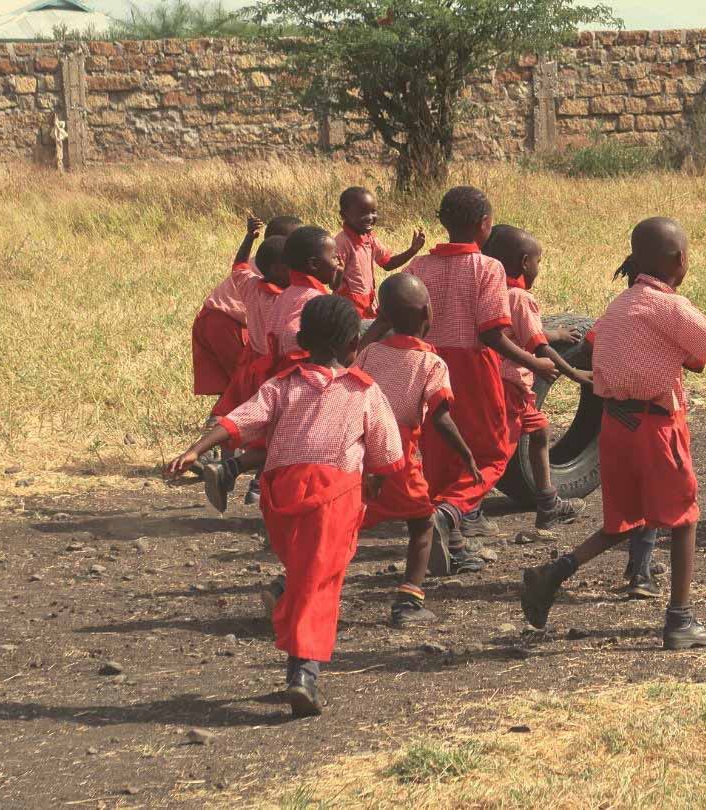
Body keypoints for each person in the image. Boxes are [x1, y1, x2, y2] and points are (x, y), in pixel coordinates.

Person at [519, 217, 706, 649]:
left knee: (623, 522)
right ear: (680, 260)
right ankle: (679, 620)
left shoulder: (618, 307)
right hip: (655, 427)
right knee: (684, 521)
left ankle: (554, 573)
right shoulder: (670, 308)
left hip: (615, 426)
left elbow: (617, 348)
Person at [165, 295, 404, 718]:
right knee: (320, 582)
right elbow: (387, 456)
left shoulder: (281, 385)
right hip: (336, 497)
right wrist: (374, 488)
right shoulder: (364, 392)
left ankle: (286, 605)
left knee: (305, 573)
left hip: (280, 497)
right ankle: (303, 672)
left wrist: (194, 450)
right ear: (353, 344)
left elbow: (240, 419)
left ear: (303, 340)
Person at [383, 186, 557, 572]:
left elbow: (387, 317)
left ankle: (454, 543)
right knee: (492, 453)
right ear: (483, 225)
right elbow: (491, 334)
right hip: (471, 367)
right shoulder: (488, 268)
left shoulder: (419, 268)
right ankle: (448, 514)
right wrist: (535, 361)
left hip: (422, 362)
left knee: (441, 451)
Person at [358, 273, 480, 626]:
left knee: (350, 522)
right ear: (429, 312)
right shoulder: (431, 364)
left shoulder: (369, 353)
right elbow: (440, 419)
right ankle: (408, 599)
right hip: (398, 454)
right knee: (422, 524)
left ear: (383, 315)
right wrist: (466, 453)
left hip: (362, 451)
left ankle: (294, 585)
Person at [202, 226, 343, 508]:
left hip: (267, 369)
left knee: (277, 439)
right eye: (334, 257)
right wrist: (311, 361)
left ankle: (233, 471)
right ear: (314, 264)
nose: (339, 261)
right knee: (294, 442)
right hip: (298, 378)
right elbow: (293, 334)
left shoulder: (289, 292)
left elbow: (240, 267)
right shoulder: (310, 299)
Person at [481, 224, 593, 530]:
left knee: (540, 432)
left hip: (495, 382)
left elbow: (515, 329)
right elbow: (538, 346)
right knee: (495, 457)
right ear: (523, 262)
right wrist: (573, 372)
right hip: (511, 386)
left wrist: (555, 331)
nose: (539, 267)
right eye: (538, 261)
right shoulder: (520, 296)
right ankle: (459, 513)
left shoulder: (488, 289)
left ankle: (548, 503)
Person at [191, 216, 262, 403]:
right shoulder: (275, 270)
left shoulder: (261, 262)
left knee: (232, 382)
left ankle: (218, 420)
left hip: (209, 316)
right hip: (229, 323)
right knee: (247, 383)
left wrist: (249, 237)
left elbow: (239, 264)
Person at [333, 186, 425, 318]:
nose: (370, 217)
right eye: (362, 213)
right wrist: (338, 274)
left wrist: (412, 250)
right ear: (344, 215)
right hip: (349, 309)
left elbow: (387, 264)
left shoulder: (370, 238)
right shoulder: (342, 243)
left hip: (368, 305)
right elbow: (333, 283)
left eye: (373, 212)